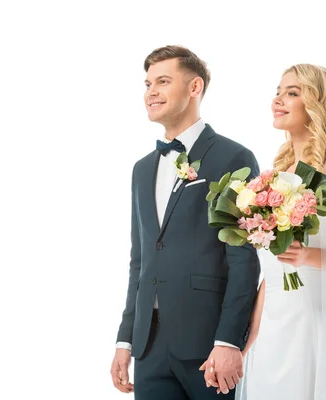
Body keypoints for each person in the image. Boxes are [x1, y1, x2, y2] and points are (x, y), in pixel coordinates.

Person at [204, 64, 326, 399]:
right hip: (275, 330)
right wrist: (247, 343)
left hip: (317, 324)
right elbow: (271, 277)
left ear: (316, 103)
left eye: (292, 92)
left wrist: (308, 255)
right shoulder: (274, 175)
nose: (278, 99)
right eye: (278, 91)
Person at [110, 45, 261, 399]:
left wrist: (228, 341)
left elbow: (244, 259)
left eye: (163, 81)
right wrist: (125, 338)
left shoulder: (234, 157)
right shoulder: (142, 168)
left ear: (195, 88)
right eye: (147, 84)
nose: (151, 92)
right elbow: (141, 261)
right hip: (148, 346)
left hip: (208, 345)